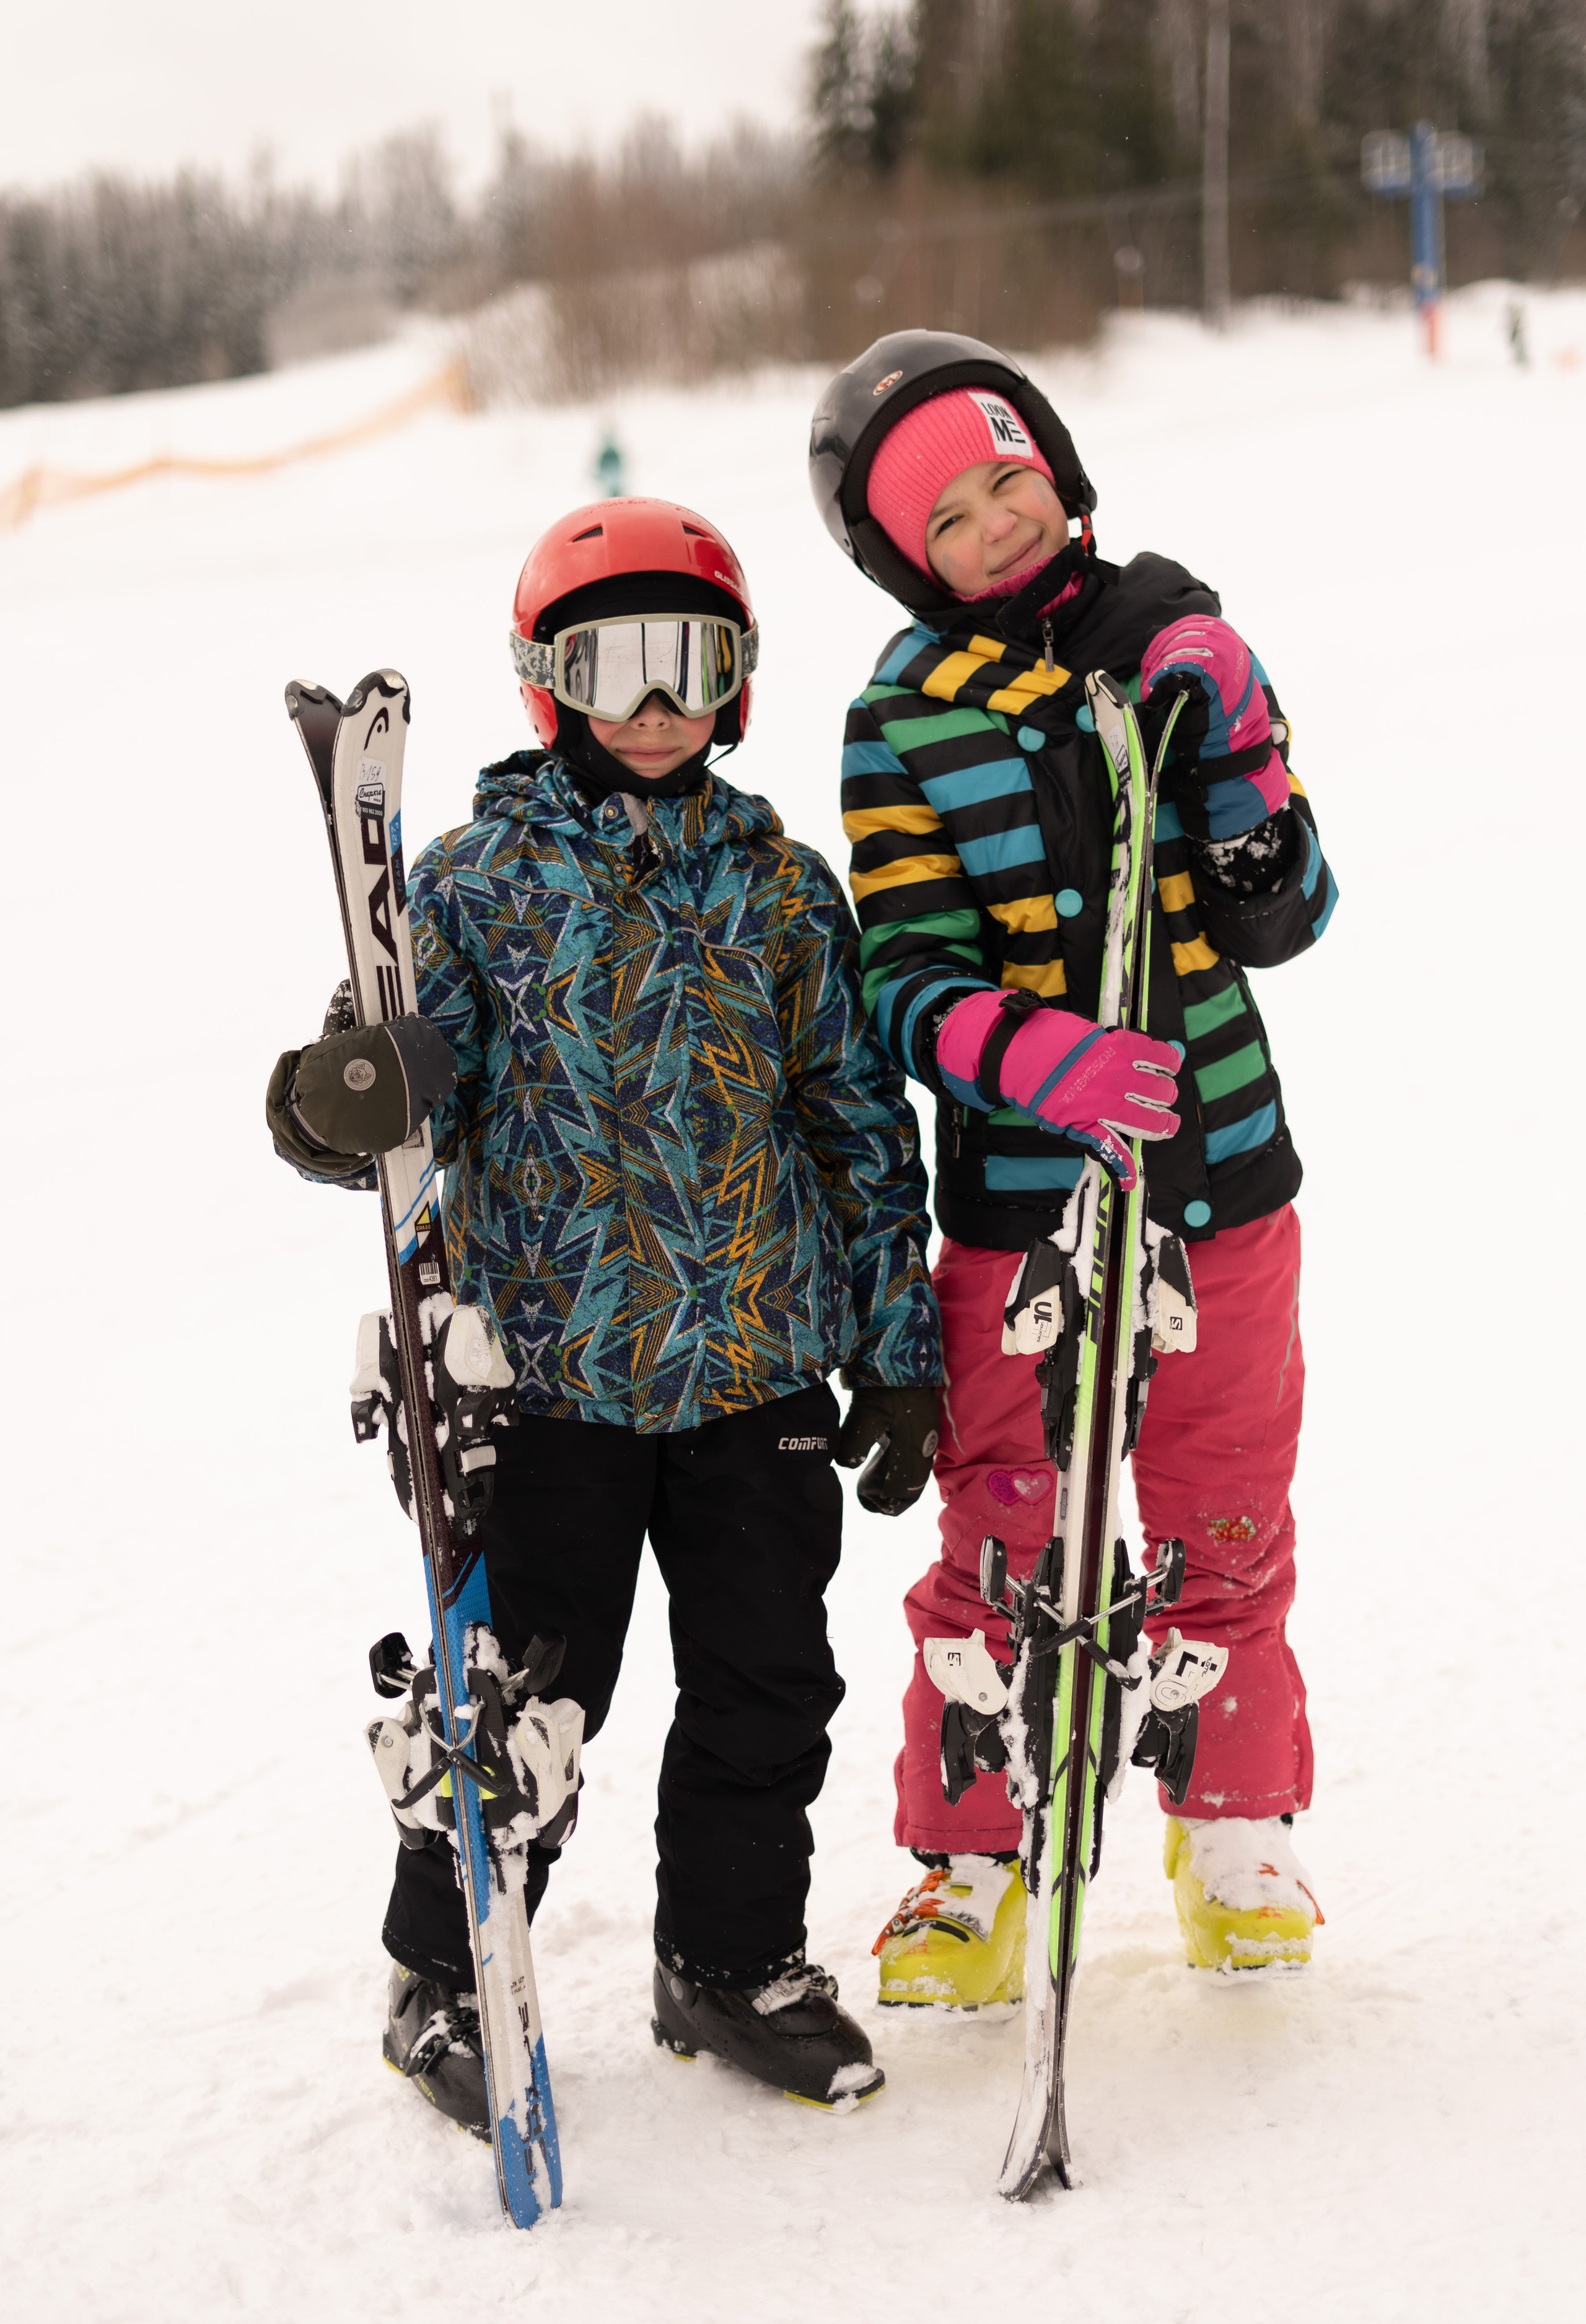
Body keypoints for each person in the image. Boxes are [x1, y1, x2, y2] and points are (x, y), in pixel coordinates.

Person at [266, 498, 944, 2126]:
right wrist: (337, 1099)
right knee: (519, 1702)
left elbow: (856, 1121)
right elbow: (361, 1120)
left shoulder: (785, 890)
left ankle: (729, 1964)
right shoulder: (475, 886)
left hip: (759, 1374)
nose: (655, 701)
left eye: (690, 661)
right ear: (548, 683)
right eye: (614, 663)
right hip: (548, 1387)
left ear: (738, 680)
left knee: (771, 1688)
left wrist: (900, 1352)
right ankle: (445, 1974)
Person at [807, 331, 1338, 1997]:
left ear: (1058, 469)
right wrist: (1032, 1059)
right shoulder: (902, 719)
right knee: (1007, 1523)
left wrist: (1242, 753)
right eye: (951, 517)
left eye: (1010, 480)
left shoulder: (1173, 636)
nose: (997, 524)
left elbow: (1289, 913)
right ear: (907, 556)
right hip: (1025, 1198)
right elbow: (900, 976)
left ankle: (1233, 1816)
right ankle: (970, 1854)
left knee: (1223, 1510)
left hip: (1218, 1170)